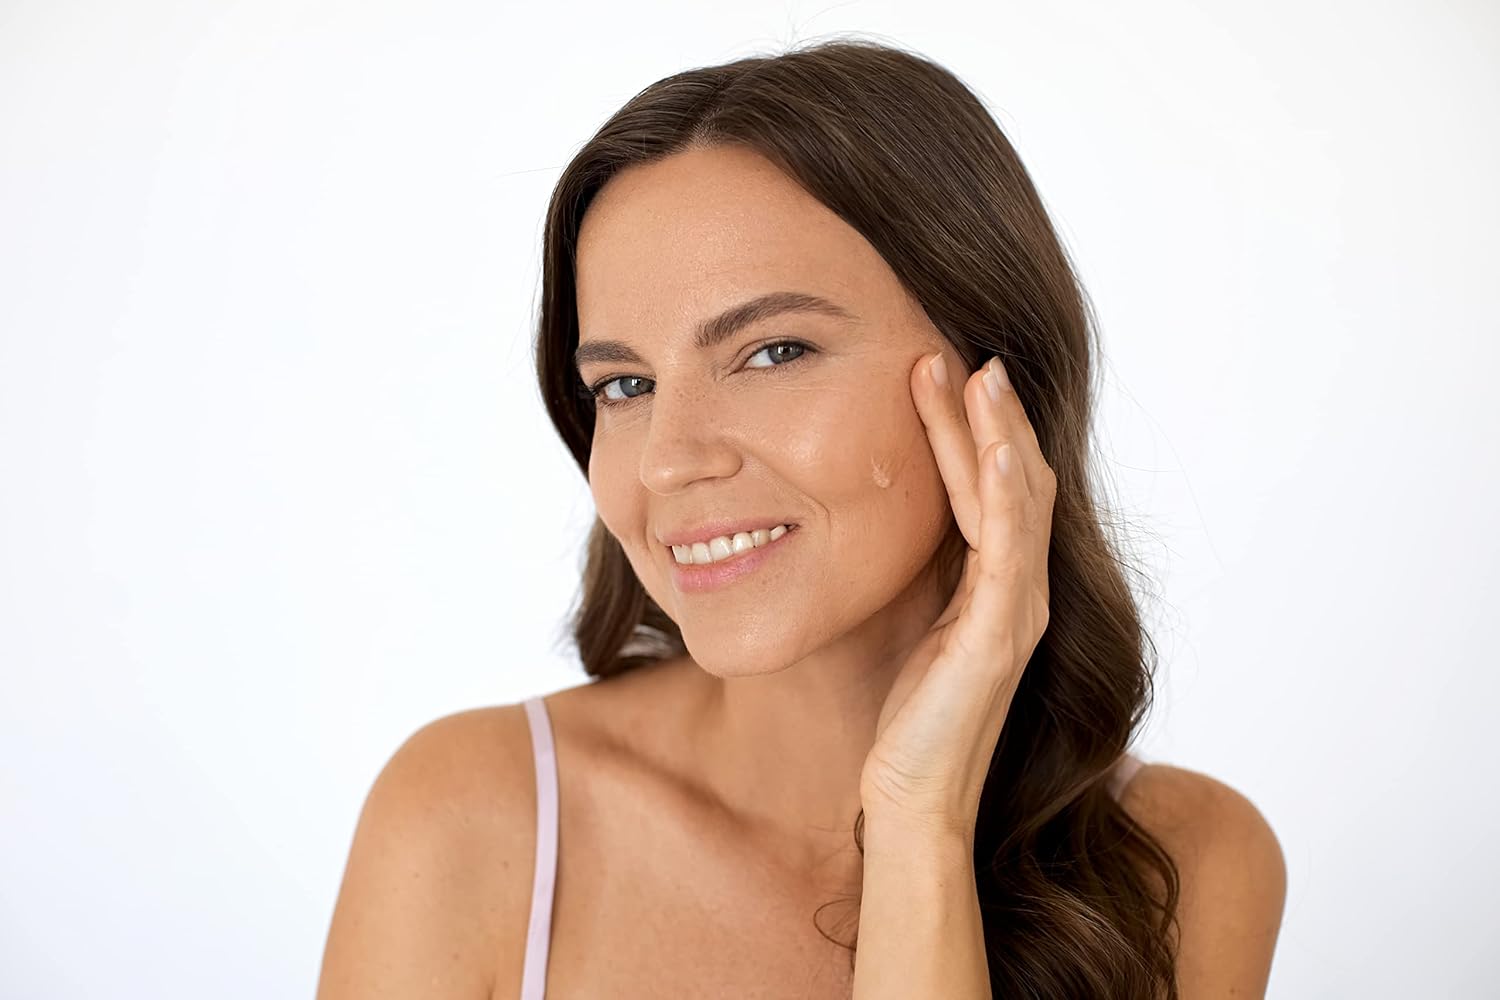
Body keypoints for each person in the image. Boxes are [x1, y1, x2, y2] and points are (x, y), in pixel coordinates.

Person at [317, 38, 1286, 999]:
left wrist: (918, 819)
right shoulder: (473, 821)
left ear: (994, 374)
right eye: (625, 384)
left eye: (774, 352)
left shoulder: (1184, 863)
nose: (668, 458)